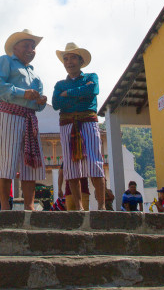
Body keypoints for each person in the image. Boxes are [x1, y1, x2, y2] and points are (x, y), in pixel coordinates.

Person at [0, 29, 47, 210]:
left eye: (33, 46)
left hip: (30, 117)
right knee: (8, 158)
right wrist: (24, 93)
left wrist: (41, 101)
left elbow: (37, 104)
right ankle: (5, 205)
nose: (31, 49)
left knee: (30, 161)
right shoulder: (5, 61)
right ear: (15, 48)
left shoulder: (35, 74)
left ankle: (29, 205)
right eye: (26, 45)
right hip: (10, 114)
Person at [52, 42, 105, 210]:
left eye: (73, 57)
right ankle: (80, 207)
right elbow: (55, 103)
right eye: (66, 58)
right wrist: (81, 93)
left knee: (95, 163)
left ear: (81, 61)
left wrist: (68, 94)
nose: (69, 62)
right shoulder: (59, 84)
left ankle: (102, 206)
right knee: (70, 166)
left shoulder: (92, 77)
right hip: (67, 125)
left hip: (88, 122)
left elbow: (93, 90)